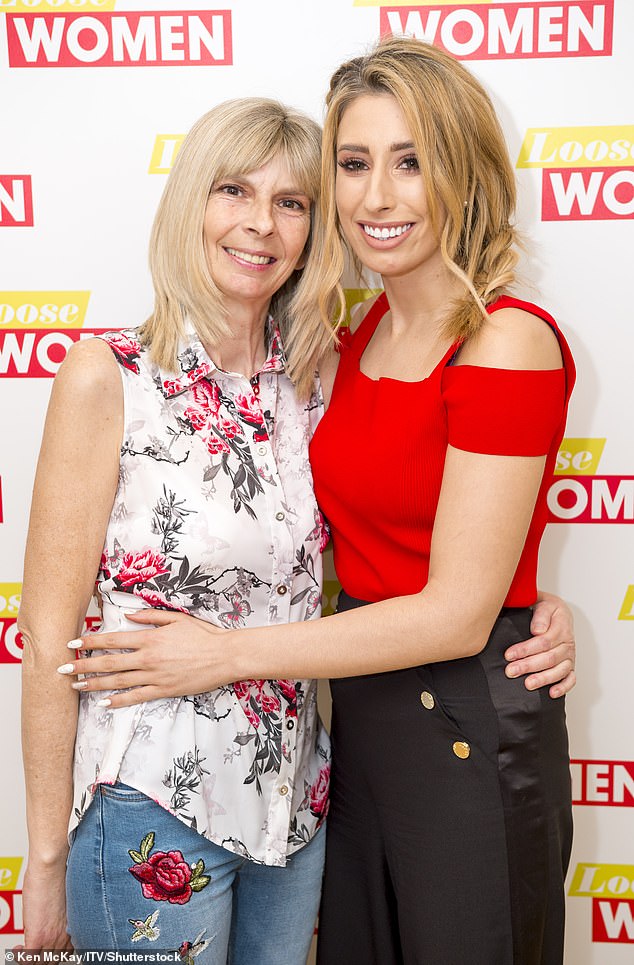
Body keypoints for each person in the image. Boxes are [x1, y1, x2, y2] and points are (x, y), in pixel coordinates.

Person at [50, 43, 577, 962]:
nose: (377, 196)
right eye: (354, 164)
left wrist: (518, 606)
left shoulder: (490, 340)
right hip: (330, 742)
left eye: (411, 162)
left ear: (465, 172)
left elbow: (456, 609)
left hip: (432, 733)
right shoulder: (344, 342)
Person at [19, 98, 333, 965]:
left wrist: (532, 605)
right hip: (151, 808)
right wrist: (43, 855)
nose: (261, 223)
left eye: (293, 201)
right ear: (193, 201)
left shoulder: (315, 382)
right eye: (235, 189)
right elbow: (48, 631)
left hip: (294, 805)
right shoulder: (109, 375)